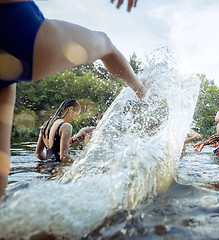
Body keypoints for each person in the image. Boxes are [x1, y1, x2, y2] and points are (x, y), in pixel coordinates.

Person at [0, 0, 145, 196]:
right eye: (76, 112)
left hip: (47, 170)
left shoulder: (45, 126)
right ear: (70, 110)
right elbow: (65, 155)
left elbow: (38, 154)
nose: (77, 117)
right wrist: (87, 170)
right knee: (105, 44)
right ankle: (143, 93)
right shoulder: (66, 127)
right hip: (12, 28)